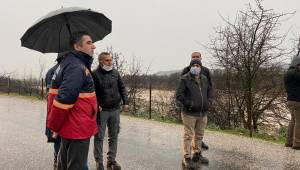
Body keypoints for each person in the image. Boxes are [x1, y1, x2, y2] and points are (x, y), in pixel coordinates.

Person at [47, 31, 98, 170]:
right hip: (78, 128)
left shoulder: (69, 63)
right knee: (76, 166)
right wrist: (55, 127)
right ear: (77, 46)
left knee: (65, 164)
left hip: (71, 125)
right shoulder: (76, 66)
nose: (93, 46)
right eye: (89, 43)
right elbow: (64, 99)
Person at [45, 52, 89, 170]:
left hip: (55, 111)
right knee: (72, 152)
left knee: (59, 143)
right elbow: (67, 95)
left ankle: (56, 159)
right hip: (67, 113)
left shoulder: (51, 71)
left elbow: (49, 94)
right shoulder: (72, 68)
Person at [92, 52, 129, 170]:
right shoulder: (94, 74)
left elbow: (122, 88)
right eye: (107, 60)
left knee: (114, 136)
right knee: (99, 137)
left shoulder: (115, 73)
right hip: (102, 111)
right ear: (101, 61)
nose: (110, 62)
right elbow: (91, 92)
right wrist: (96, 105)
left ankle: (111, 161)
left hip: (115, 109)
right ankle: (99, 162)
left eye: (111, 60)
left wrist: (126, 102)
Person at [176, 59, 213, 168]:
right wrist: (189, 104)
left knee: (199, 135)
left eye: (198, 65)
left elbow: (210, 91)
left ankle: (197, 154)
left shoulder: (204, 79)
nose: (196, 67)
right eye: (194, 65)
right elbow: (179, 95)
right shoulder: (184, 79)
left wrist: (209, 102)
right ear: (190, 67)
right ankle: (186, 157)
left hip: (202, 113)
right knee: (188, 135)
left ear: (200, 67)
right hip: (189, 113)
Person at [181, 51, 211, 150]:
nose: (195, 58)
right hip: (190, 108)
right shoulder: (186, 71)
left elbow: (210, 87)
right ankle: (187, 155)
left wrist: (209, 101)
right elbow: (181, 90)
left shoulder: (206, 71)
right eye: (193, 57)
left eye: (197, 57)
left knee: (200, 130)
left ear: (201, 58)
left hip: (202, 107)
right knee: (189, 131)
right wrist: (188, 104)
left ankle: (198, 145)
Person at [284, 56, 300, 150]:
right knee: (299, 122)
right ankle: (297, 143)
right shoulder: (295, 73)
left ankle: (288, 141)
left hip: (290, 100)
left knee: (293, 121)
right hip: (297, 101)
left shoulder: (287, 73)